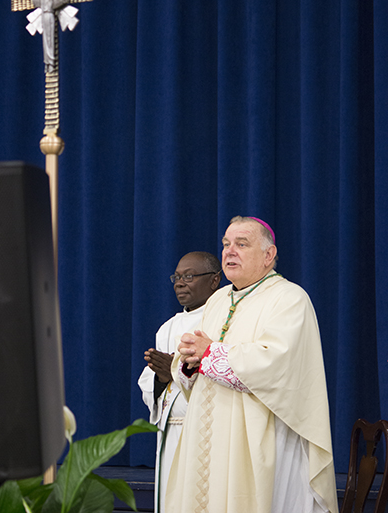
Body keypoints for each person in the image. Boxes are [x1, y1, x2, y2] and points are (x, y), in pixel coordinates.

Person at [166, 216, 339, 513]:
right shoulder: (218, 300)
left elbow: (273, 364)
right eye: (226, 244)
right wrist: (189, 362)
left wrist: (209, 353)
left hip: (262, 437)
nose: (230, 251)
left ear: (268, 255)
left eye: (242, 244)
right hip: (211, 436)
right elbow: (198, 367)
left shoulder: (289, 299)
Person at [138, 251, 221, 513]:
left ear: (214, 280)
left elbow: (225, 372)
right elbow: (149, 380)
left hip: (207, 429)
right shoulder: (167, 328)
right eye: (176, 277)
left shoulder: (222, 320)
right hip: (171, 430)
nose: (179, 283)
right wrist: (163, 378)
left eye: (189, 276)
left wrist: (176, 372)